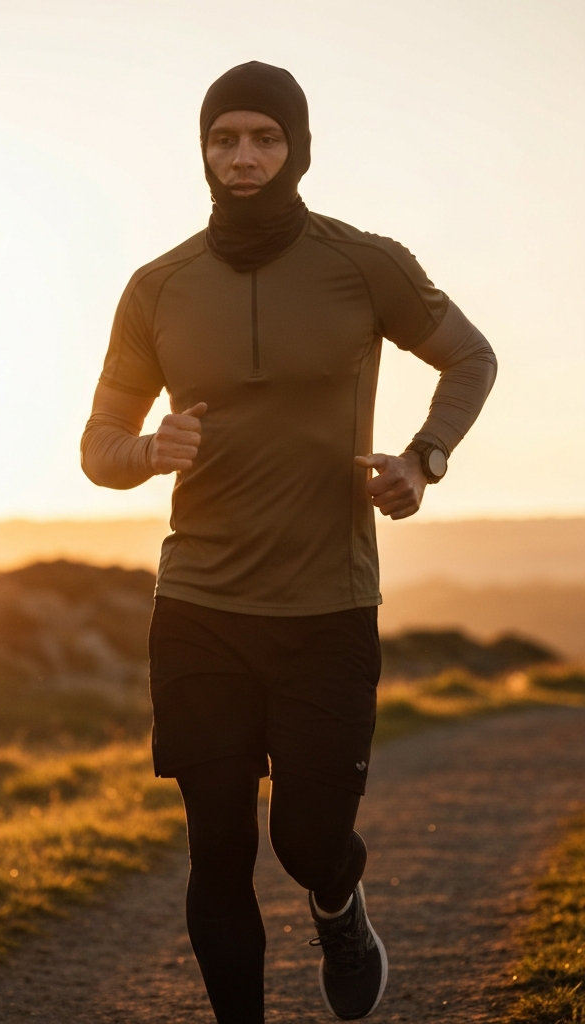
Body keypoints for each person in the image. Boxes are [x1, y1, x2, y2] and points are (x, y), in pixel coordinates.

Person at [80, 61, 496, 1022]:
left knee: (308, 840)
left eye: (264, 138)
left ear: (297, 148)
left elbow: (470, 355)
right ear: (203, 151)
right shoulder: (157, 287)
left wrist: (424, 458)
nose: (244, 157)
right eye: (225, 139)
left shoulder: (365, 263)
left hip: (328, 608)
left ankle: (338, 905)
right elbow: (99, 447)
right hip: (200, 610)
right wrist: (148, 450)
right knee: (217, 847)